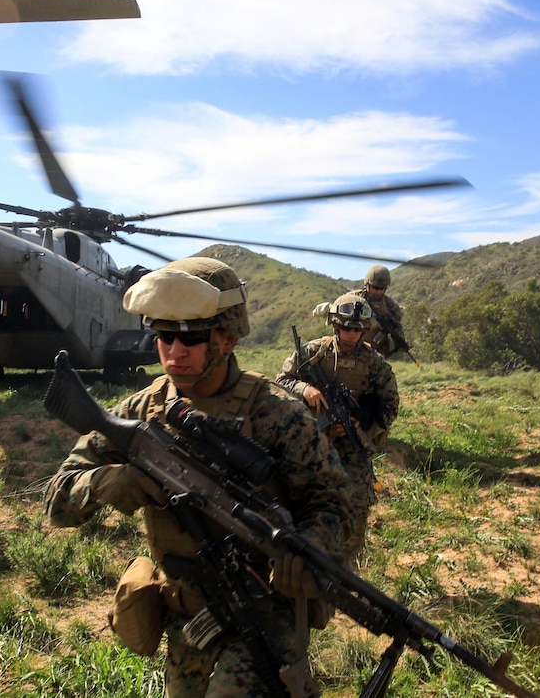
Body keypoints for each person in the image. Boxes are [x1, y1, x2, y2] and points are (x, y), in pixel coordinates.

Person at [45, 256, 353, 698]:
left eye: (190, 339)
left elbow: (336, 502)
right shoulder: (141, 411)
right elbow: (57, 501)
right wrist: (105, 483)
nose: (173, 352)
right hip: (186, 618)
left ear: (227, 339)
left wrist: (311, 547)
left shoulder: (277, 413)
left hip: (264, 613)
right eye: (162, 336)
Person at [276, 293, 399, 561]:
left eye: (357, 329)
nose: (351, 334)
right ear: (334, 325)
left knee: (356, 510)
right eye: (346, 328)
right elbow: (281, 381)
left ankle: (346, 568)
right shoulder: (312, 353)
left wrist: (364, 425)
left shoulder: (374, 362)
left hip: (354, 448)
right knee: (303, 502)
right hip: (314, 444)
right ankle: (303, 561)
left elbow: (391, 404)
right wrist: (304, 388)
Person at [349, 265, 406, 359]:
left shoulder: (390, 306)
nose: (378, 291)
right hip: (352, 348)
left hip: (377, 353)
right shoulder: (353, 298)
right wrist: (368, 323)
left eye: (382, 288)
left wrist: (400, 340)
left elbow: (396, 325)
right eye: (375, 288)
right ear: (367, 284)